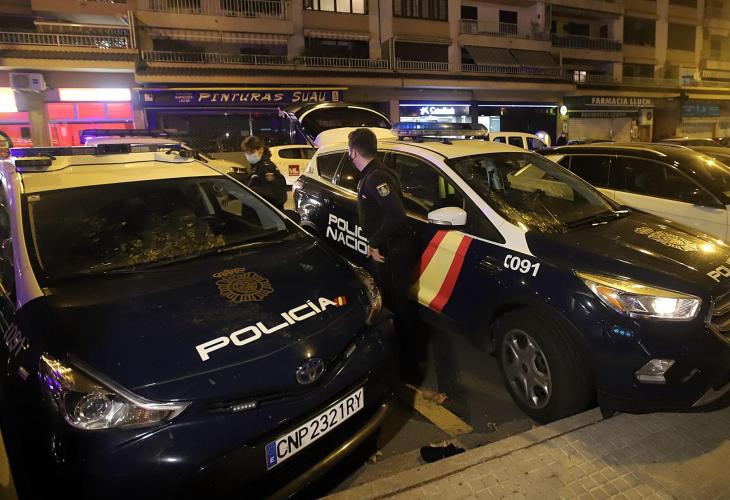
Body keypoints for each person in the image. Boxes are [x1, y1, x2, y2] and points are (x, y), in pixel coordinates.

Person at [348, 128, 419, 380]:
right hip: (390, 249)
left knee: (397, 306)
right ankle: (405, 359)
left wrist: (375, 242)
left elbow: (396, 216)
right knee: (393, 302)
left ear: (353, 151)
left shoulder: (376, 177)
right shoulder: (375, 172)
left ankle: (409, 366)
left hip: (390, 252)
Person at [241, 135, 287, 210]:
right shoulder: (256, 167)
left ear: (261, 150)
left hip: (267, 213)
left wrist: (254, 190)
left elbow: (277, 195)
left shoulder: (267, 168)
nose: (249, 155)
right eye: (247, 152)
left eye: (251, 152)